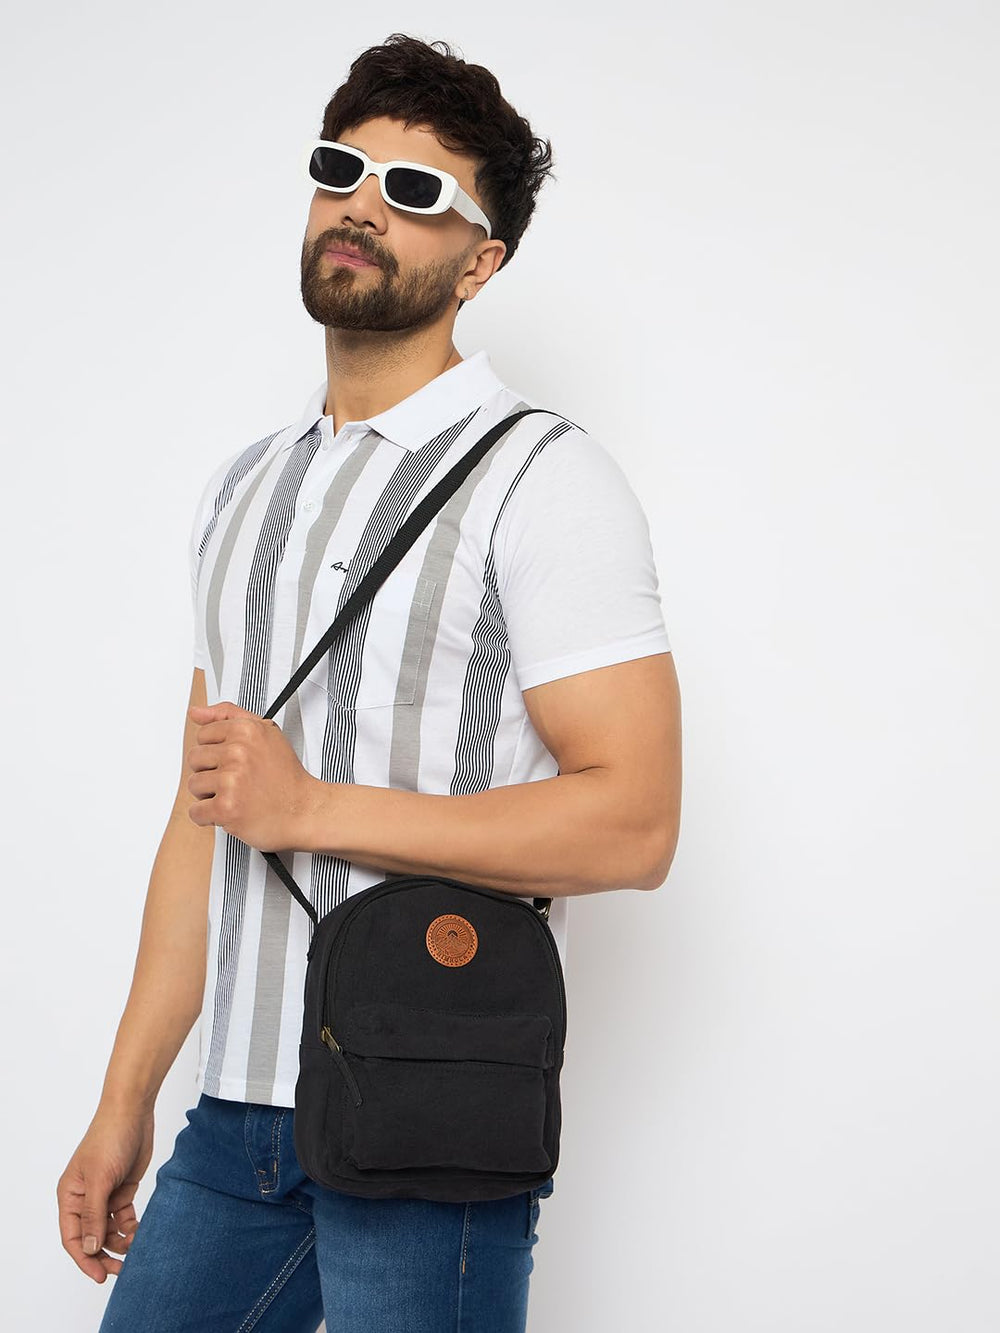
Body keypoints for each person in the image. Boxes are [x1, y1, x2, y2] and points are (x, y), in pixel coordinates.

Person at [57, 32, 682, 1333]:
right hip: (235, 1118)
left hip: (430, 1107)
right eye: (341, 170)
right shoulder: (246, 486)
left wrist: (313, 808)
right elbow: (205, 810)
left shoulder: (545, 479)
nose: (360, 205)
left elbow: (635, 824)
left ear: (480, 262)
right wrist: (125, 1098)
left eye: (414, 190)